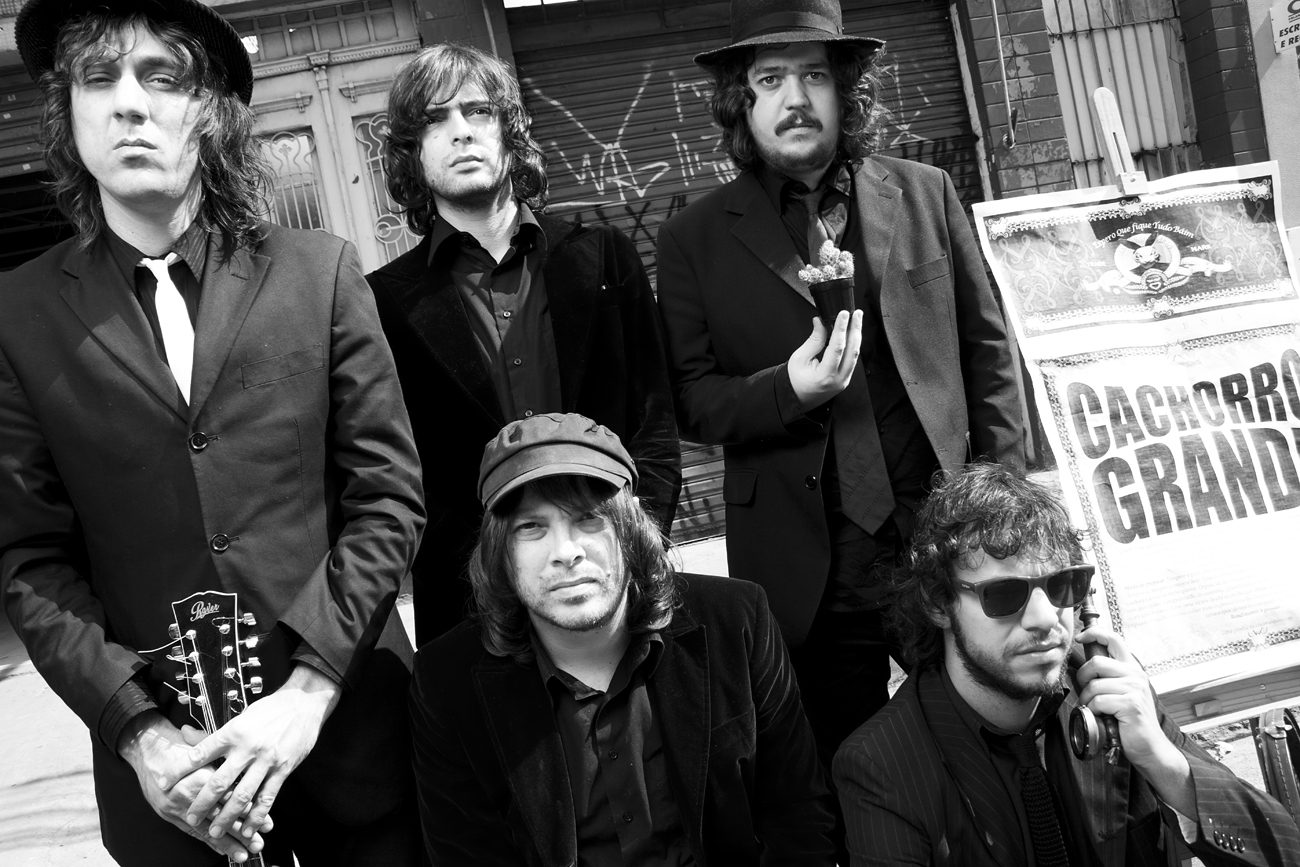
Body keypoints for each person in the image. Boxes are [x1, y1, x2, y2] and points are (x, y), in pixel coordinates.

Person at [1, 1, 425, 864]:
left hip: (355, 740)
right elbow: (30, 562)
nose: (129, 102)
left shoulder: (320, 272)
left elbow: (388, 498)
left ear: (211, 112)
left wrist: (308, 693)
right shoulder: (17, 315)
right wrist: (140, 734)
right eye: (98, 78)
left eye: (162, 77)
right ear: (69, 114)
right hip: (174, 783)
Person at [654, 0, 1025, 775]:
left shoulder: (925, 191)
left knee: (999, 747)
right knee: (851, 774)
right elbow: (691, 400)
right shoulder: (692, 238)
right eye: (770, 79)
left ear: (845, 90)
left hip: (947, 538)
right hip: (808, 573)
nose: (795, 98)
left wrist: (1007, 508)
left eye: (814, 76)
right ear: (741, 100)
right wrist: (787, 389)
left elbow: (988, 352)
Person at [408, 412, 836, 864]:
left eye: (589, 519)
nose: (566, 552)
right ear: (501, 552)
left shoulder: (737, 620)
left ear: (630, 529)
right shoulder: (446, 682)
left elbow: (799, 816)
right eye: (531, 527)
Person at [367, 43, 681, 647]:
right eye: (434, 119)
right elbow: (398, 473)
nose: (461, 131)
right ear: (411, 153)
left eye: (478, 111)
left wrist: (640, 548)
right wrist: (489, 579)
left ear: (509, 131)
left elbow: (654, 422)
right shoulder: (379, 301)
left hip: (617, 585)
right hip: (471, 613)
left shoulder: (604, 257)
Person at [834, 463, 1300, 866]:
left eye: (1062, 586)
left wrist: (1164, 763)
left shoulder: (1107, 684)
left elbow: (1286, 852)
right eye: (1005, 594)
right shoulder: (882, 765)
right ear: (939, 604)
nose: (1045, 619)